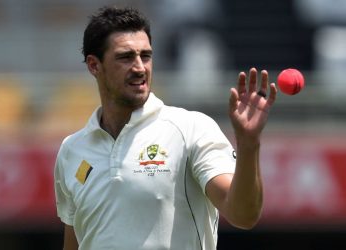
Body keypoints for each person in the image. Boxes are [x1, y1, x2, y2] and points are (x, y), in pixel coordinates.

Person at [54, 6, 277, 250]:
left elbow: (243, 215)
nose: (140, 67)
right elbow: (75, 241)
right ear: (94, 66)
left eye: (146, 56)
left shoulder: (190, 128)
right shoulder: (71, 149)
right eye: (126, 57)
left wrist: (248, 144)